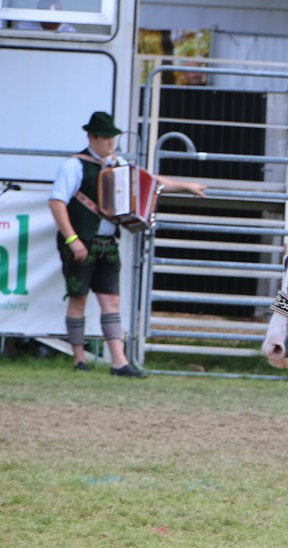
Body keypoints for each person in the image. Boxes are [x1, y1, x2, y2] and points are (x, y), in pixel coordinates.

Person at [48, 111, 207, 377]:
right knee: (78, 299)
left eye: (113, 137)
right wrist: (73, 239)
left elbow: (151, 181)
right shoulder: (73, 165)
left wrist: (185, 185)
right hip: (81, 240)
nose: (110, 143)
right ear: (92, 137)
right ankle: (79, 359)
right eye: (105, 137)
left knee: (111, 300)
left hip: (107, 242)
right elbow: (57, 202)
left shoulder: (118, 164)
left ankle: (119, 361)